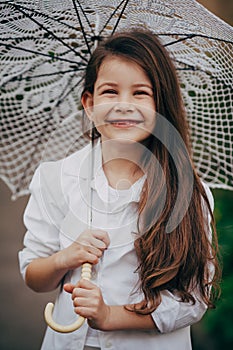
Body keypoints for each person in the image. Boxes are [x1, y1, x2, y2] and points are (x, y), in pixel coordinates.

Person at [19, 29, 220, 350]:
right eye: (110, 92)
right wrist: (63, 260)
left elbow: (194, 300)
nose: (124, 105)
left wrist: (110, 315)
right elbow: (33, 274)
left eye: (140, 93)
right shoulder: (55, 178)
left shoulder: (188, 194)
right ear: (89, 103)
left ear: (161, 104)